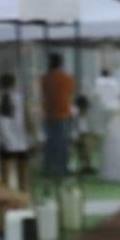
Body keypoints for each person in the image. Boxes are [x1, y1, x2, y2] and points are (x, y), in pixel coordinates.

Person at [39, 53, 75, 181]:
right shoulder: (66, 78)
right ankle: (62, 168)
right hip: (63, 114)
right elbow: (70, 93)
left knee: (50, 143)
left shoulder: (44, 78)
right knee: (62, 144)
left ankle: (48, 168)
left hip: (49, 115)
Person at [0, 72, 31, 196]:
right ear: (14, 84)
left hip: (4, 142)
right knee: (23, 178)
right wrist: (33, 136)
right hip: (21, 142)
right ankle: (24, 200)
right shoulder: (20, 99)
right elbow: (28, 119)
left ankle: (7, 203)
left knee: (5, 179)